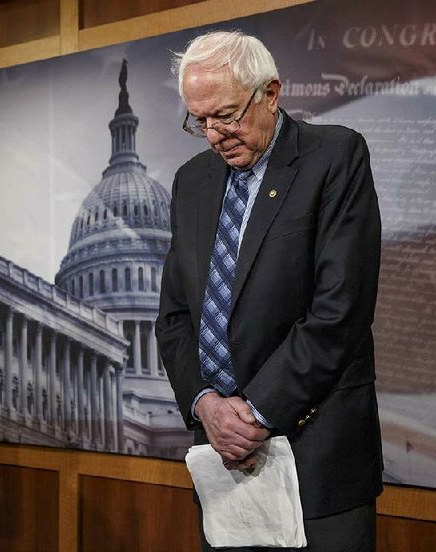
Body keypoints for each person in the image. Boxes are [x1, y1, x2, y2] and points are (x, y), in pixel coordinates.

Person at [156, 30, 383, 551]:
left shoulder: (335, 157)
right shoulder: (191, 181)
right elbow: (174, 318)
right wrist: (205, 404)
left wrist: (255, 412)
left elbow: (339, 311)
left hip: (316, 454)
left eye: (228, 114)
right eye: (200, 120)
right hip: (222, 460)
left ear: (271, 93)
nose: (215, 134)